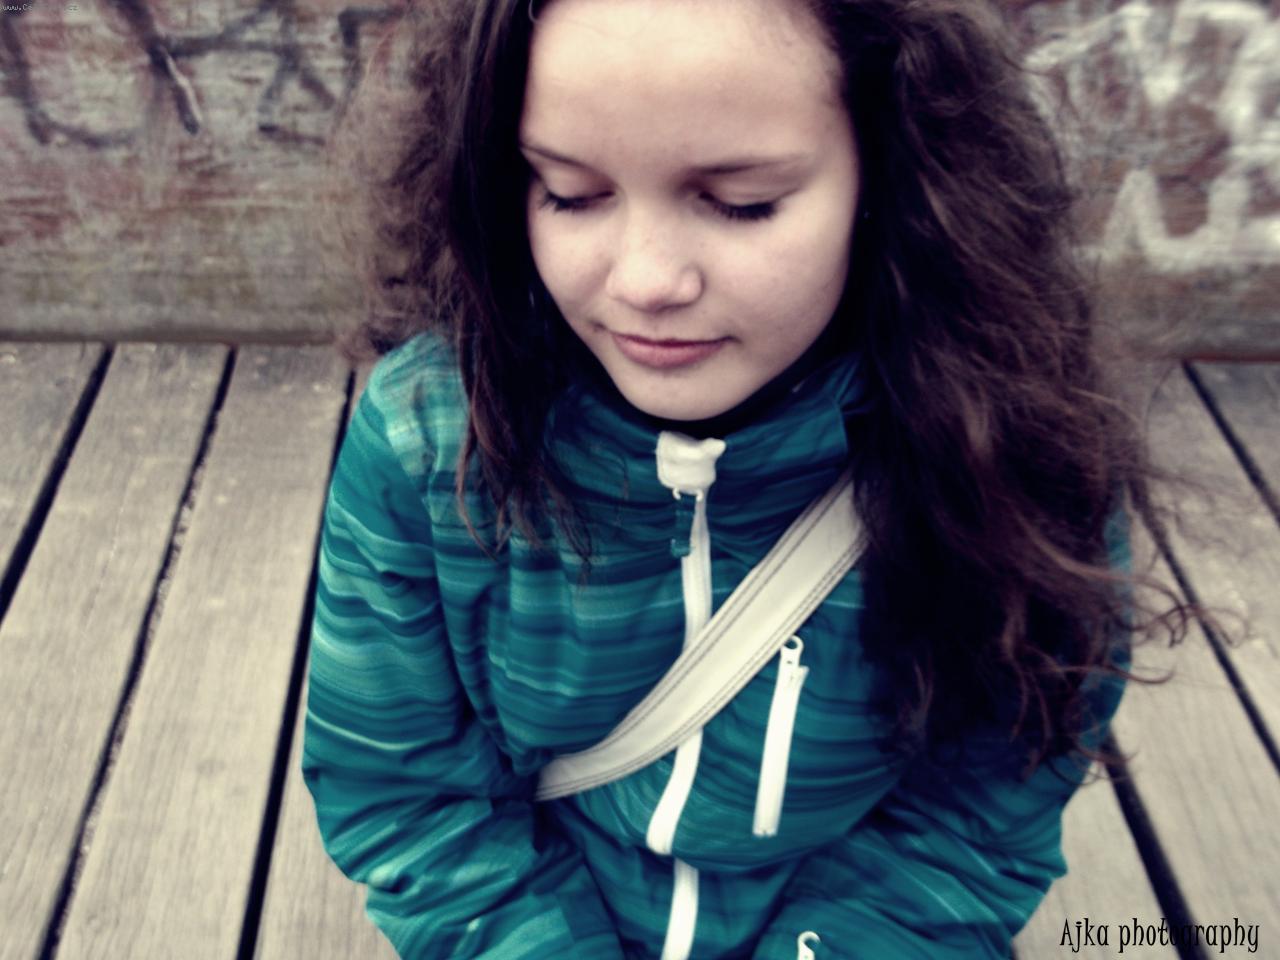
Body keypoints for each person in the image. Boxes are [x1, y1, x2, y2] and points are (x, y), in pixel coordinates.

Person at [302, 0, 1187, 956]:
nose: (646, 282)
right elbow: (408, 795)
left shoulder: (1011, 456)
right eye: (570, 193)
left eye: (740, 203)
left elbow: (972, 818)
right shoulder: (429, 447)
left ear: (893, 174)